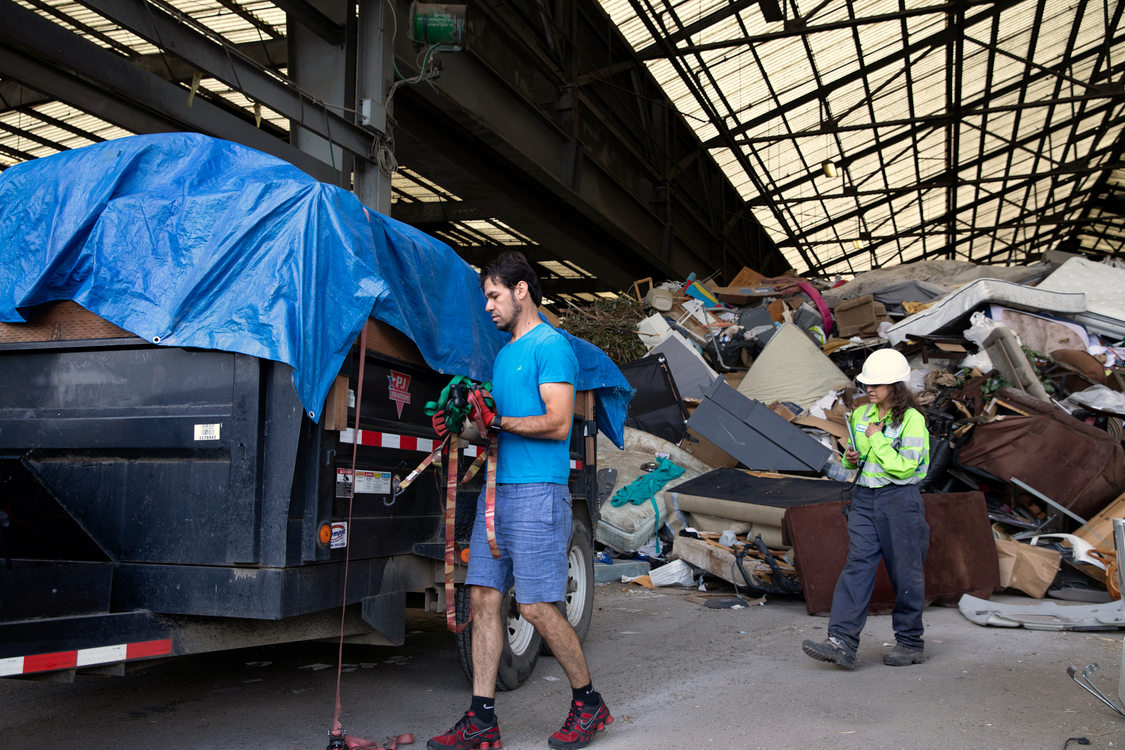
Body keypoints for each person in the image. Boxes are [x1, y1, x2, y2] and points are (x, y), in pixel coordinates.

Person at [429, 251, 612, 750]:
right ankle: (482, 721)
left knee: (534, 606)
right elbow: (496, 427)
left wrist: (498, 423)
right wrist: (463, 427)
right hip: (497, 493)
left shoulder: (551, 346)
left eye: (493, 296)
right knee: (484, 598)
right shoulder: (505, 354)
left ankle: (589, 703)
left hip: (537, 495)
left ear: (521, 290)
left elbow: (556, 424)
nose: (488, 307)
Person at [802, 348, 931, 670]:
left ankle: (910, 642)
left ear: (896, 386)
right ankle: (841, 642)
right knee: (857, 566)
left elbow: (905, 468)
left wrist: (879, 440)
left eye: (877, 385)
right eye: (867, 384)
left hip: (900, 500)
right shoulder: (860, 415)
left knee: (905, 571)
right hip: (864, 498)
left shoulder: (913, 420)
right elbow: (855, 456)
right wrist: (851, 457)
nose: (869, 389)